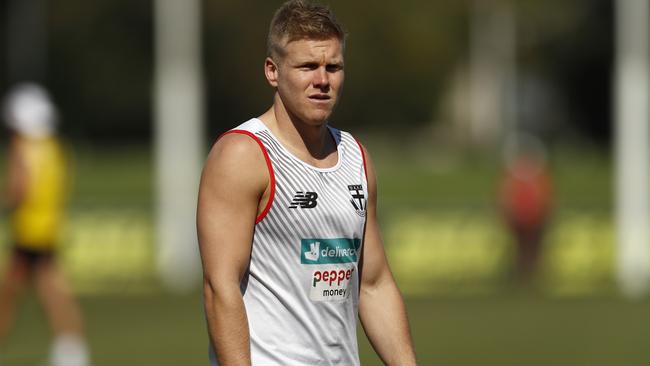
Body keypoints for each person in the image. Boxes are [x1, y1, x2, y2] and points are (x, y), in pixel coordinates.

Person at [197, 1, 418, 365]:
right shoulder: (243, 154)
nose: (322, 80)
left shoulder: (356, 157)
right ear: (273, 70)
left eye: (333, 67)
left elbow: (374, 285)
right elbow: (220, 288)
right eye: (307, 66)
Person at [0, 83, 89, 366]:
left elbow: (18, 190)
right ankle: (73, 350)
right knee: (54, 293)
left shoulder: (22, 149)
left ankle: (71, 352)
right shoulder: (55, 148)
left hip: (27, 232)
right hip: (49, 229)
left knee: (10, 294)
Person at [499, 134, 553, 283]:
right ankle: (524, 277)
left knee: (530, 251)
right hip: (522, 218)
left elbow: (545, 197)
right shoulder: (521, 175)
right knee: (524, 251)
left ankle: (529, 277)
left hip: (533, 218)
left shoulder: (528, 175)